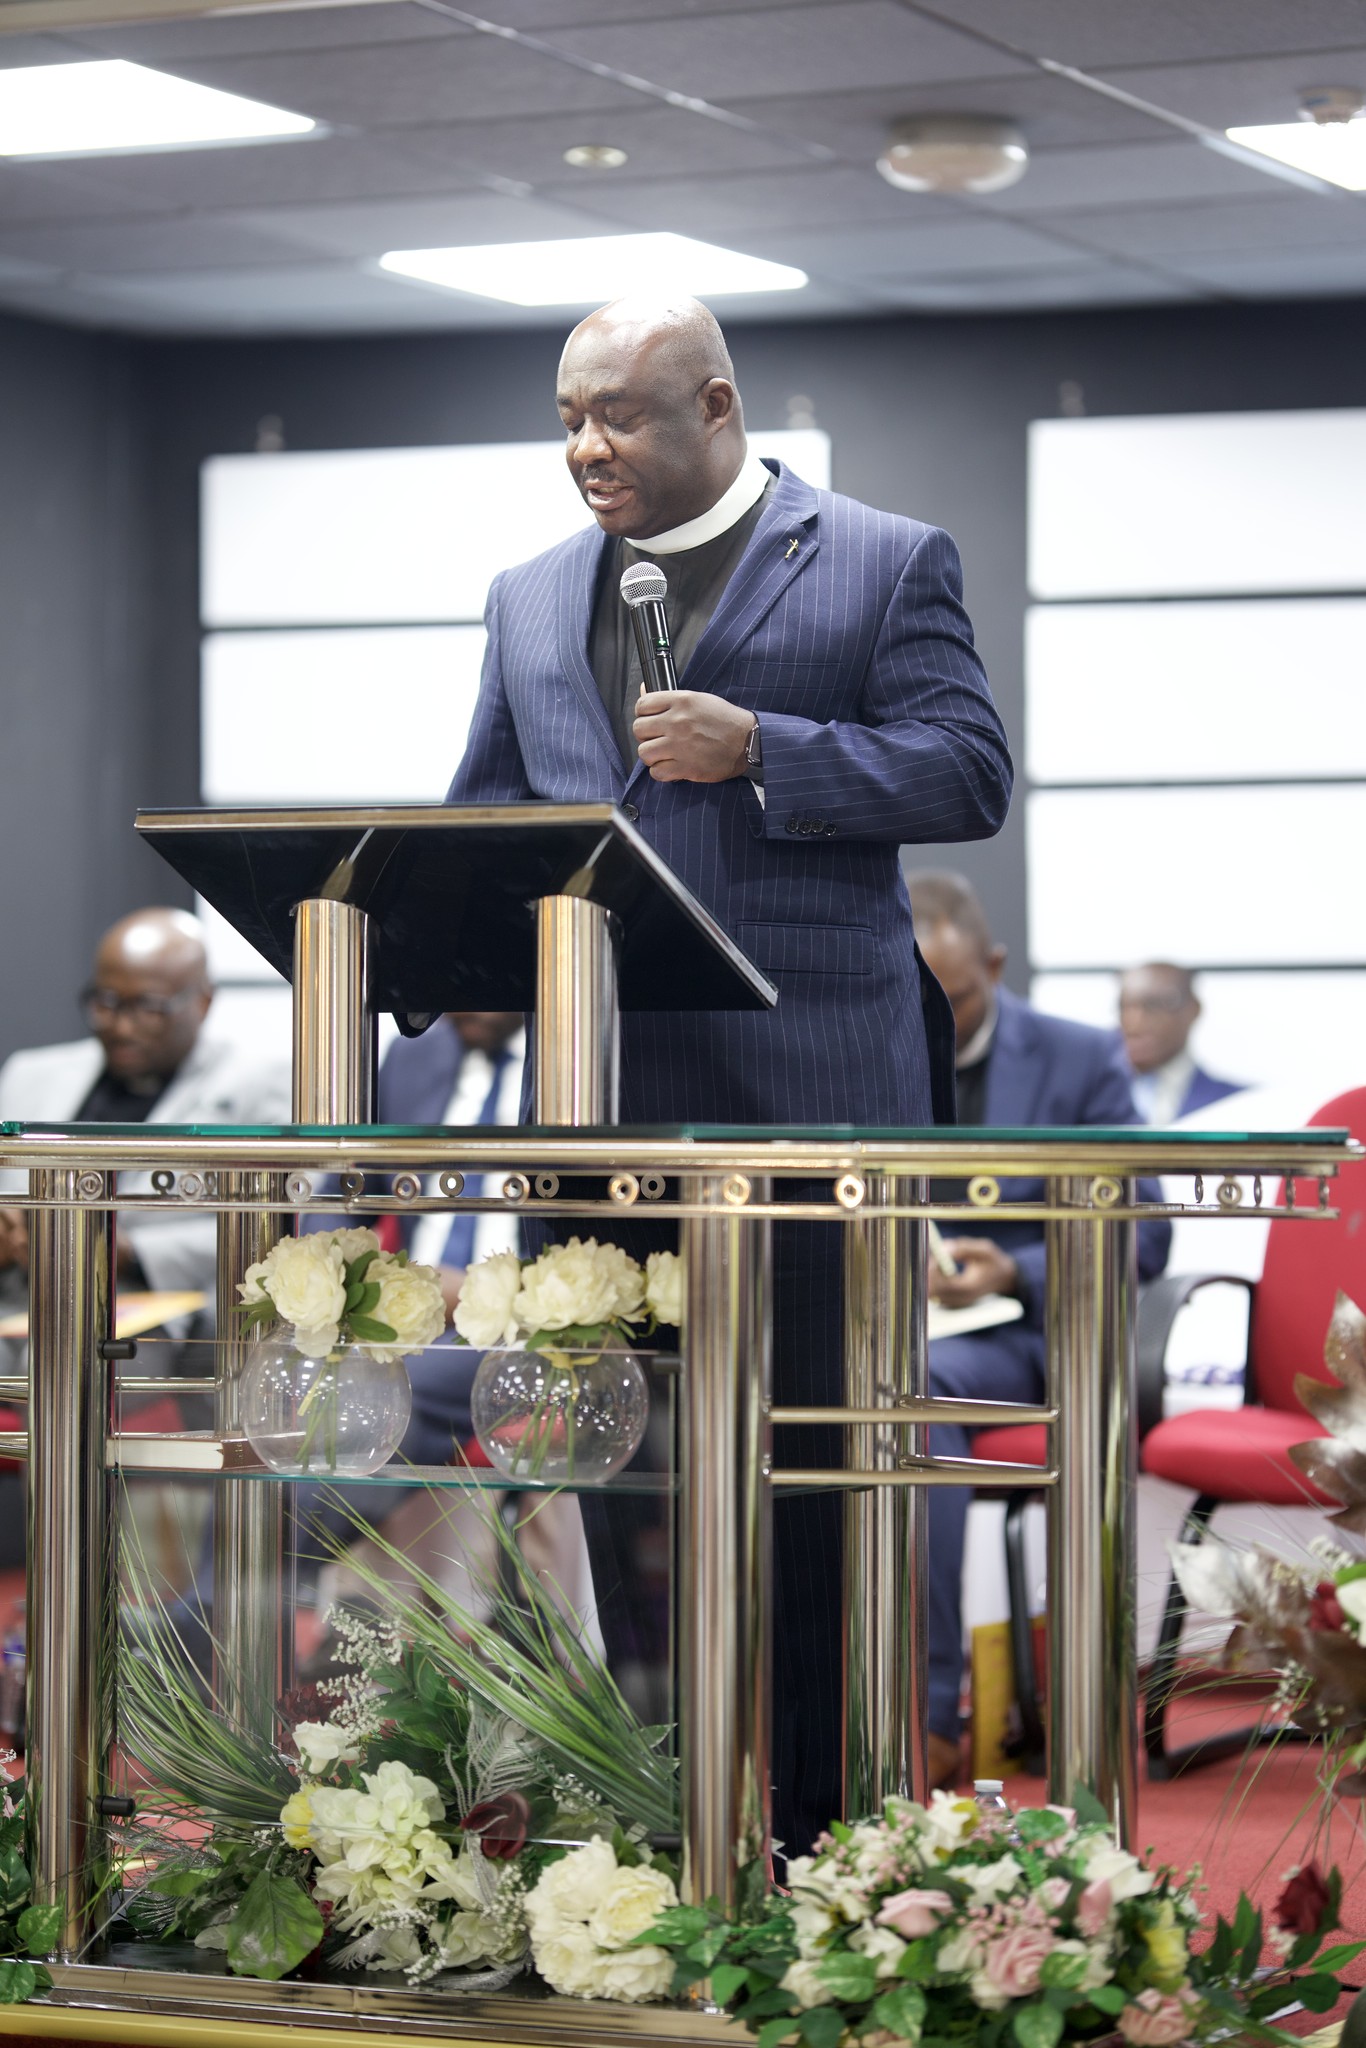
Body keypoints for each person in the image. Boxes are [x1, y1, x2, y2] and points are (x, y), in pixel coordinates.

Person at [443, 296, 1013, 1852]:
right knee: (603, 1476)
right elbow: (485, 822)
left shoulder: (885, 558)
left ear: (713, 402)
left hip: (805, 1100)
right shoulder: (524, 593)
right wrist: (410, 954)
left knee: (810, 1483)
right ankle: (634, 1818)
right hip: (592, 1114)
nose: (584, 449)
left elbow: (969, 772)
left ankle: (827, 1837)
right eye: (565, 417)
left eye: (617, 416)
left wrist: (769, 745)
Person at [906, 873, 1171, 1790]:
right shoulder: (876, 1047)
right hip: (894, 1320)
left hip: (1030, 1340)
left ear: (995, 964)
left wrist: (1018, 1269)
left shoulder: (1079, 1056)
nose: (937, 1017)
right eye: (918, 996)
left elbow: (1146, 1227)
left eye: (959, 997)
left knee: (912, 1398)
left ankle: (932, 1715)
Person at [0, 907, 290, 1301]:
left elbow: (280, 1226)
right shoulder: (30, 1074)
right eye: (106, 1002)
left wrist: (126, 1251)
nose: (121, 1026)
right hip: (17, 1301)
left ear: (203, 1002)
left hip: (156, 1314)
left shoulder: (259, 1083)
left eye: (149, 1007)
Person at [1118, 962, 1242, 1124]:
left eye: (1153, 1005)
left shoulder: (1235, 1104)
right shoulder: (1094, 1099)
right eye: (1123, 1007)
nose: (1133, 1023)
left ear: (1193, 1009)